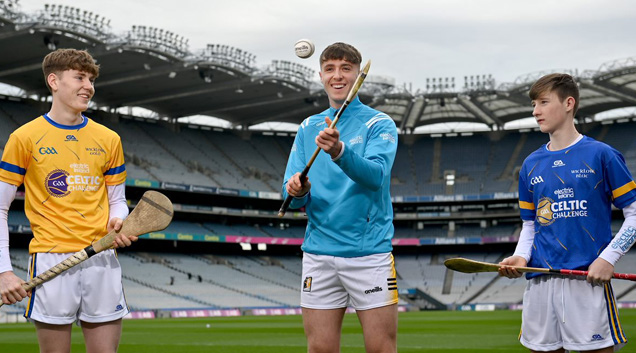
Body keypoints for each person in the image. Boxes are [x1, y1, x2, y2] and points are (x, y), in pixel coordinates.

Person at [0, 48, 136, 353]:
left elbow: (118, 200)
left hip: (101, 258)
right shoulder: (25, 138)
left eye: (90, 79)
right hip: (51, 259)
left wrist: (119, 220)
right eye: (79, 77)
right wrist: (3, 272)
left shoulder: (109, 139)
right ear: (54, 81)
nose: (88, 86)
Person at [499, 73, 636, 353]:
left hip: (586, 280)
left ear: (569, 103)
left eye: (543, 102)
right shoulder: (530, 164)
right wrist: (521, 256)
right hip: (540, 282)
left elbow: (634, 214)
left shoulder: (602, 155)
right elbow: (531, 226)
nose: (535, 111)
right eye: (534, 104)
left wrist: (608, 258)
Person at [282, 42, 399, 353]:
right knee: (319, 349)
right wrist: (297, 190)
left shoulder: (379, 123)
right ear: (321, 76)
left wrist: (339, 151)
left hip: (368, 254)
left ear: (358, 76)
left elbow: (375, 177)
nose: (338, 75)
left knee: (380, 348)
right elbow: (290, 194)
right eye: (330, 69)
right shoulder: (308, 127)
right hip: (318, 254)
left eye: (346, 68)